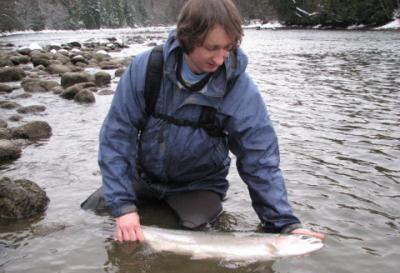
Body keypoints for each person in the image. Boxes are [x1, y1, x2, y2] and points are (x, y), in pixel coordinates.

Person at [94, 0, 324, 243]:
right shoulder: (146, 68)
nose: (220, 59)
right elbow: (118, 136)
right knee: (95, 215)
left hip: (198, 186)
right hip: (144, 177)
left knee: (199, 232)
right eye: (212, 48)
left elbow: (259, 159)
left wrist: (284, 223)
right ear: (187, 39)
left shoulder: (240, 89)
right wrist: (123, 208)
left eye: (228, 48)